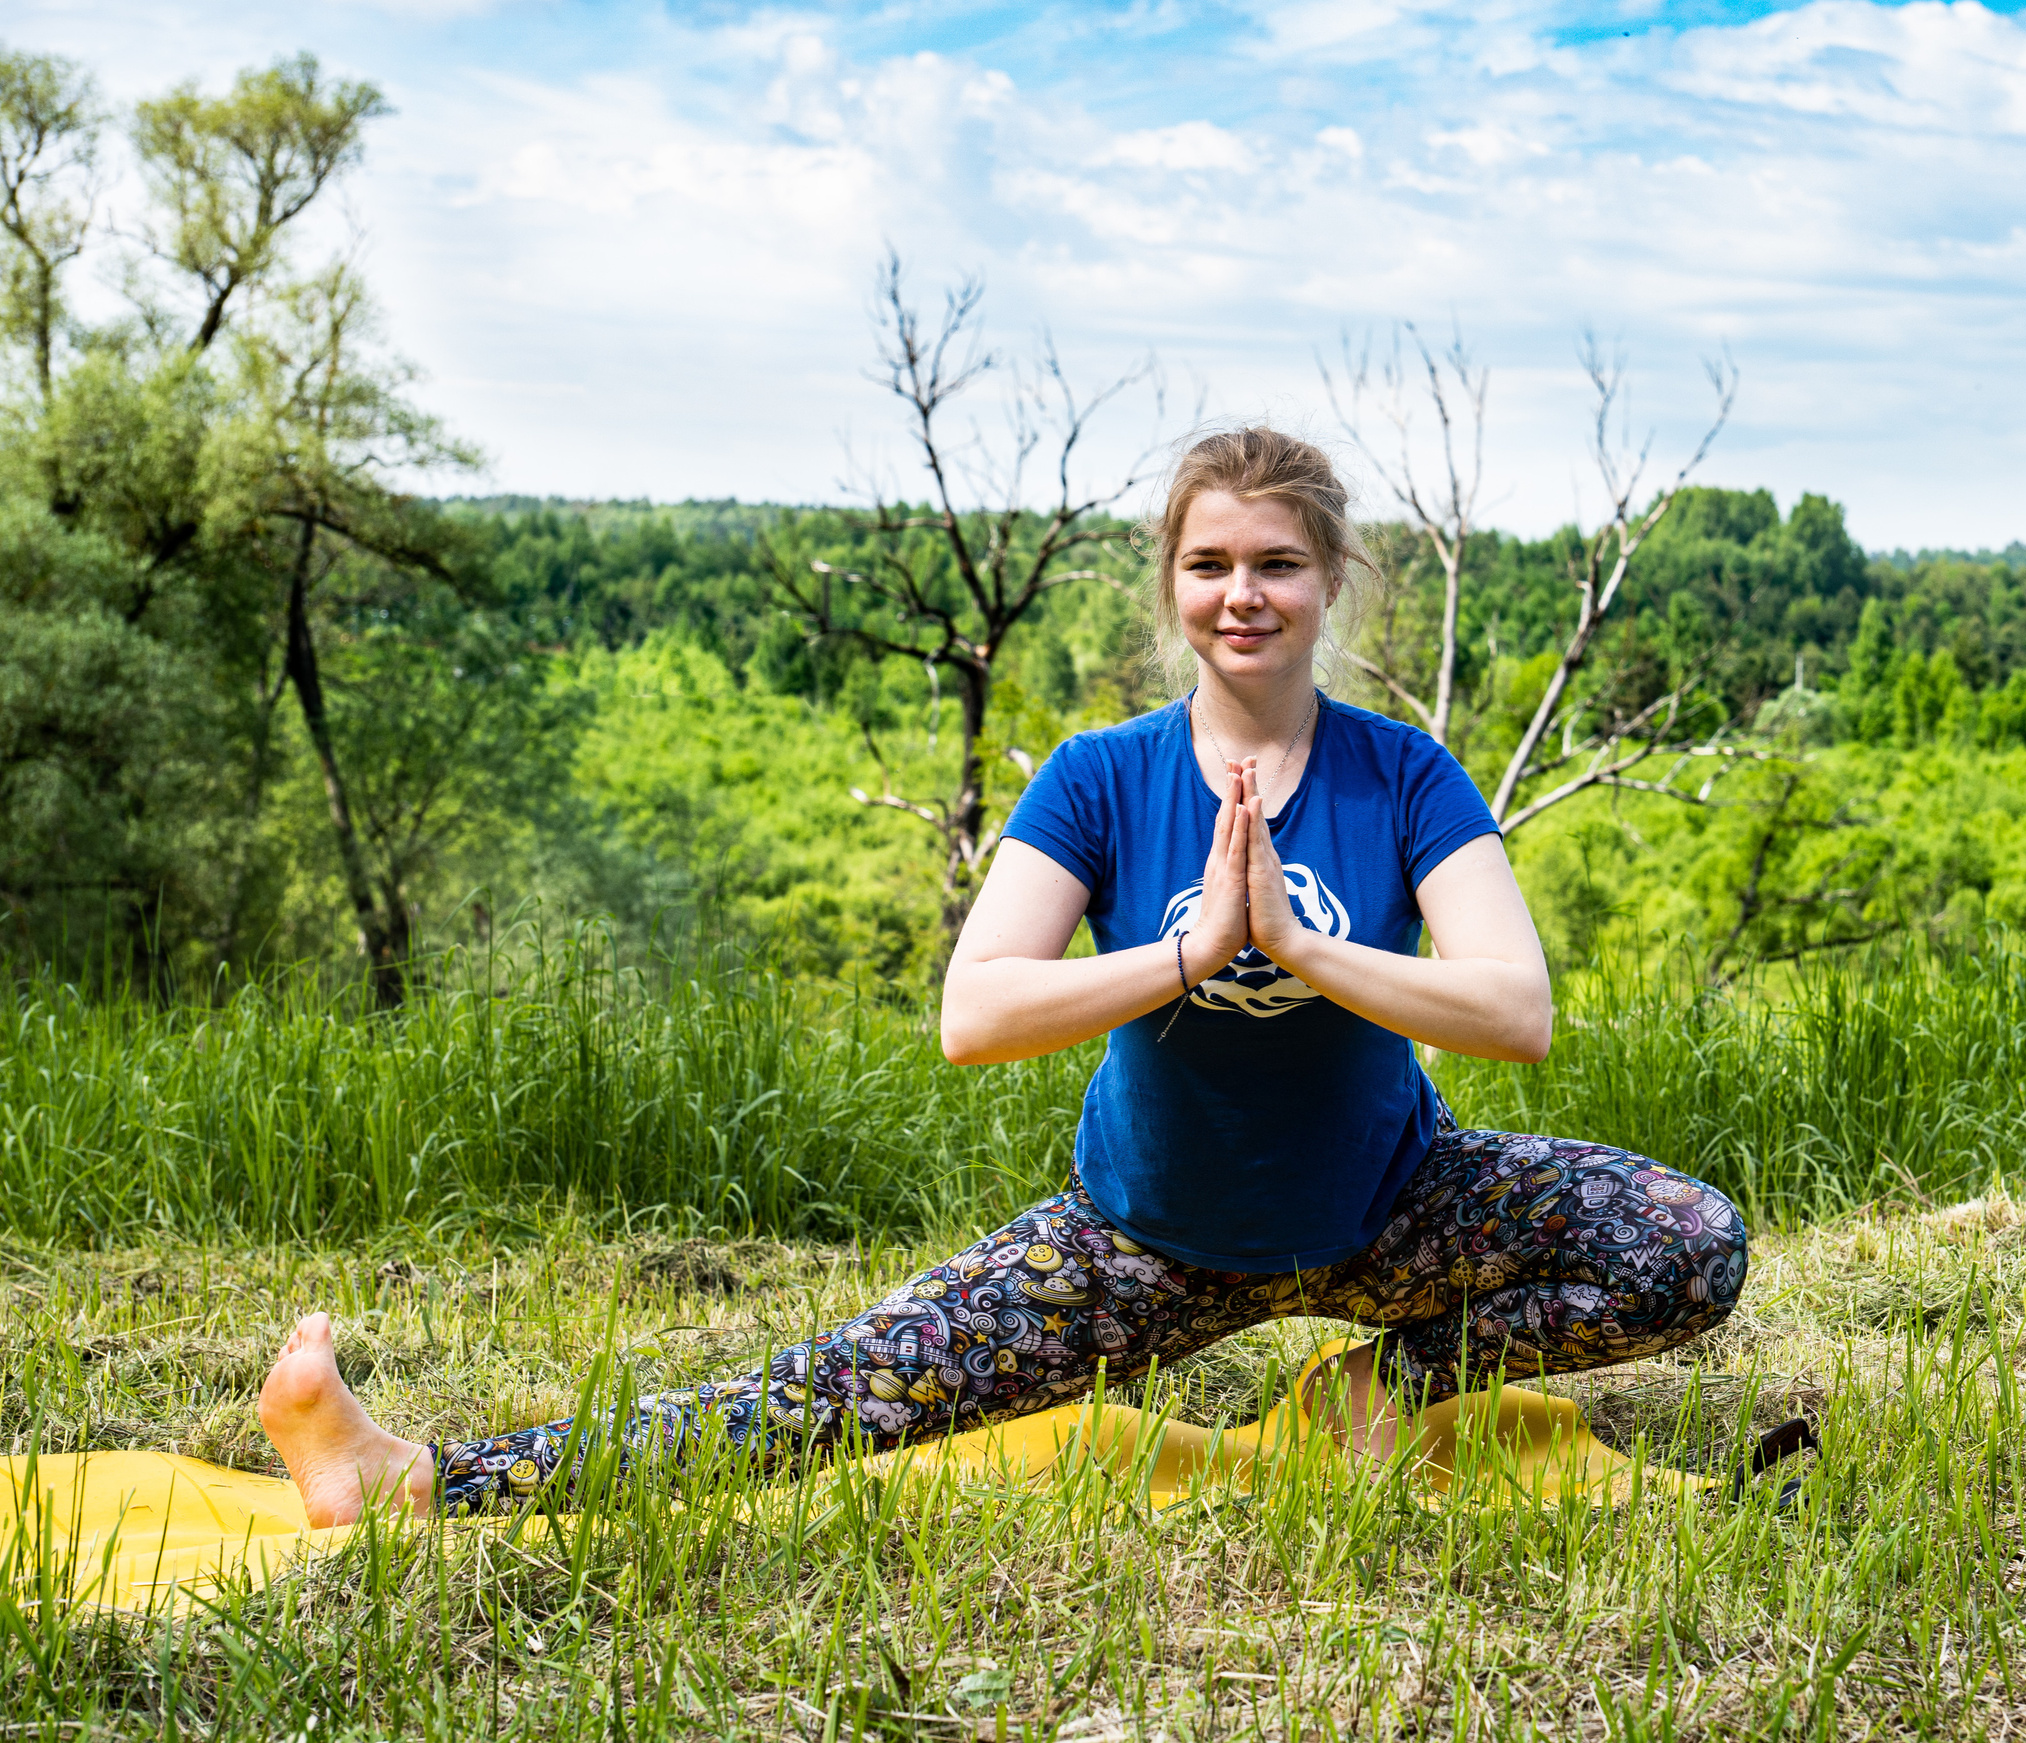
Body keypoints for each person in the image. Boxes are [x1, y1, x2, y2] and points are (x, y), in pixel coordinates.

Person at [256, 427, 1750, 1524]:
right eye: (1211, 562)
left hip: (1391, 1213)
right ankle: (409, 1480)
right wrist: (1181, 956)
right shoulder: (1102, 778)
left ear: (1330, 582)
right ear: (1170, 583)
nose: (1245, 592)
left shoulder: (1403, 772)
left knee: (1688, 1242)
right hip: (1144, 1241)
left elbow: (1517, 1010)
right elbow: (976, 1016)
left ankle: (1375, 1396)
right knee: (822, 1398)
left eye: (1278, 563)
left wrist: (1298, 949)